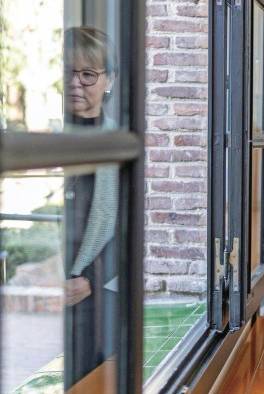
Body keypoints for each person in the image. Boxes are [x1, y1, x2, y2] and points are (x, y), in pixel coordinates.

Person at [62, 26, 120, 386]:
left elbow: (131, 228)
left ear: (109, 79)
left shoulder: (119, 142)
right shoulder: (47, 137)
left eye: (88, 74)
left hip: (93, 298)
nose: (75, 84)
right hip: (41, 299)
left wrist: (90, 281)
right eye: (68, 72)